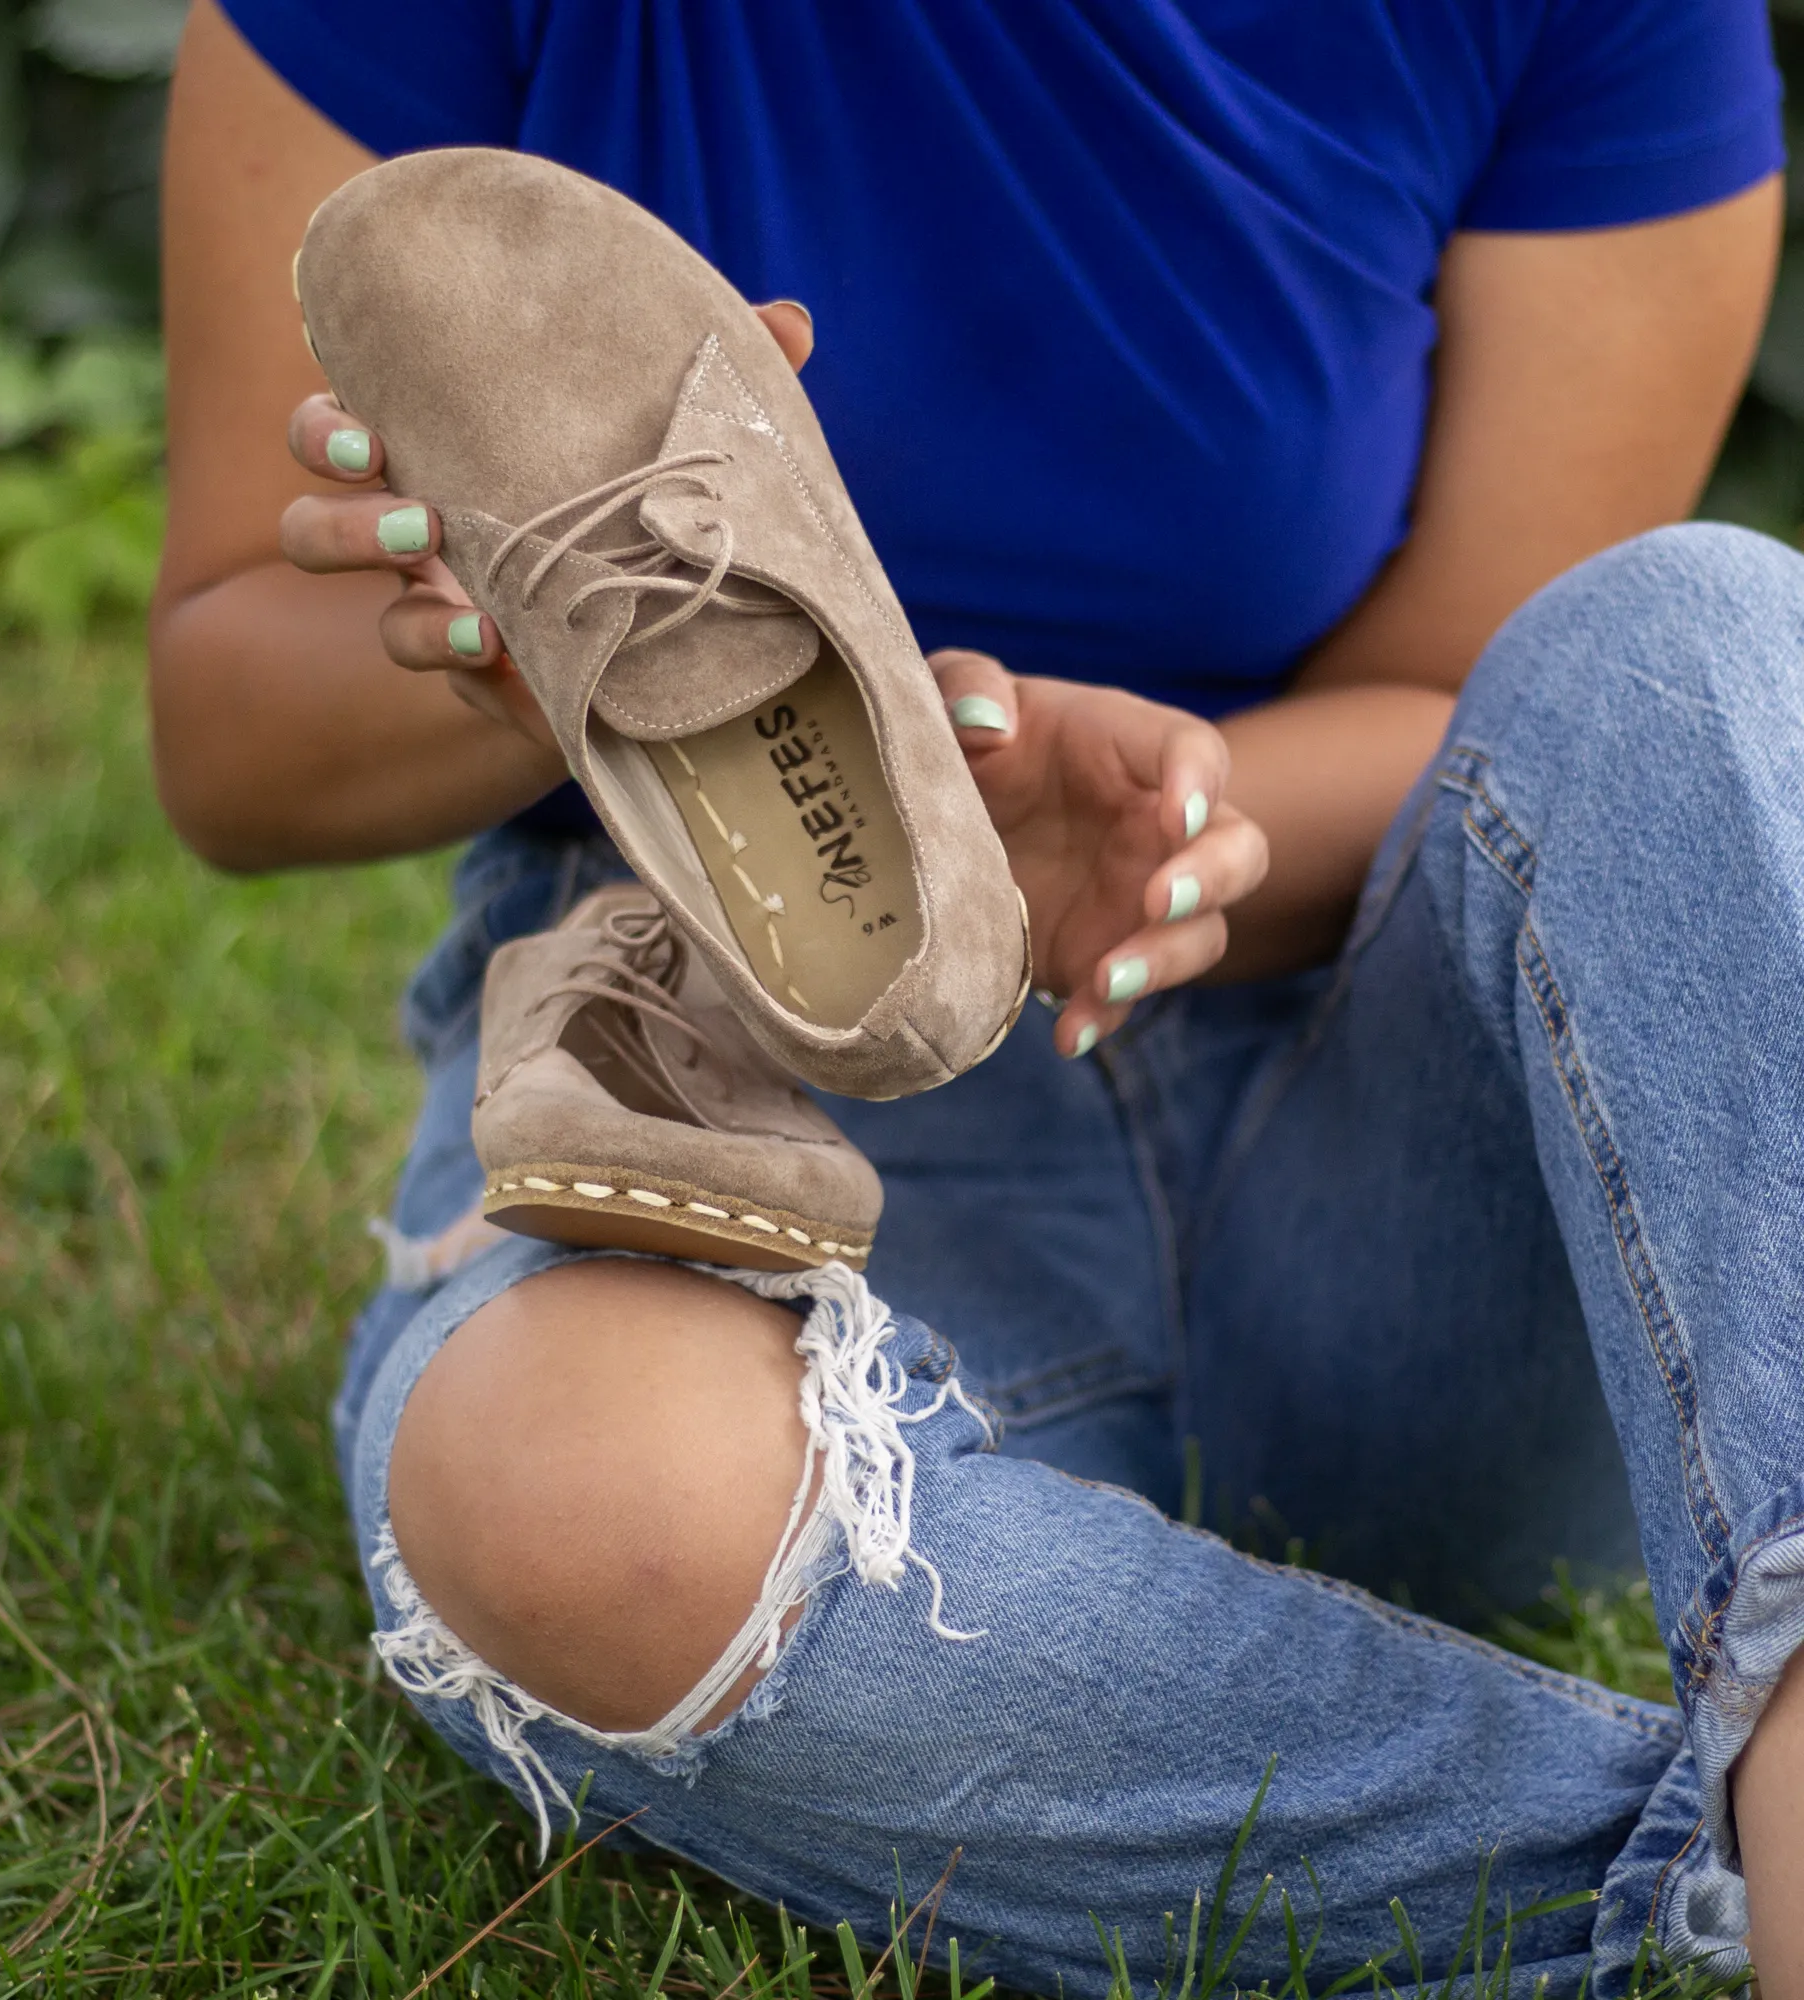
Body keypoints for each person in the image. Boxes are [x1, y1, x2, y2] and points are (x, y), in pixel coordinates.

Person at [149, 2, 1804, 1990]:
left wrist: (1139, 821)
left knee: (1703, 633)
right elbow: (225, 737)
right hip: (749, 1105)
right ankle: (1736, 1877)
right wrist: (509, 655)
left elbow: (1511, 693)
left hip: (1390, 1170)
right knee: (572, 1501)